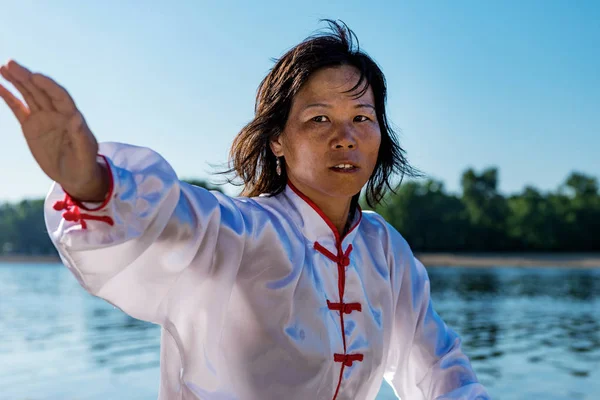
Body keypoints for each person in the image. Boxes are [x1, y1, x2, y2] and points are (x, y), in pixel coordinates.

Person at [0, 20, 489, 400]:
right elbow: (170, 217)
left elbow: (438, 371)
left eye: (363, 118)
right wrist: (90, 180)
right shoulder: (240, 231)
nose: (347, 136)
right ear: (277, 138)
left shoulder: (386, 252)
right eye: (320, 118)